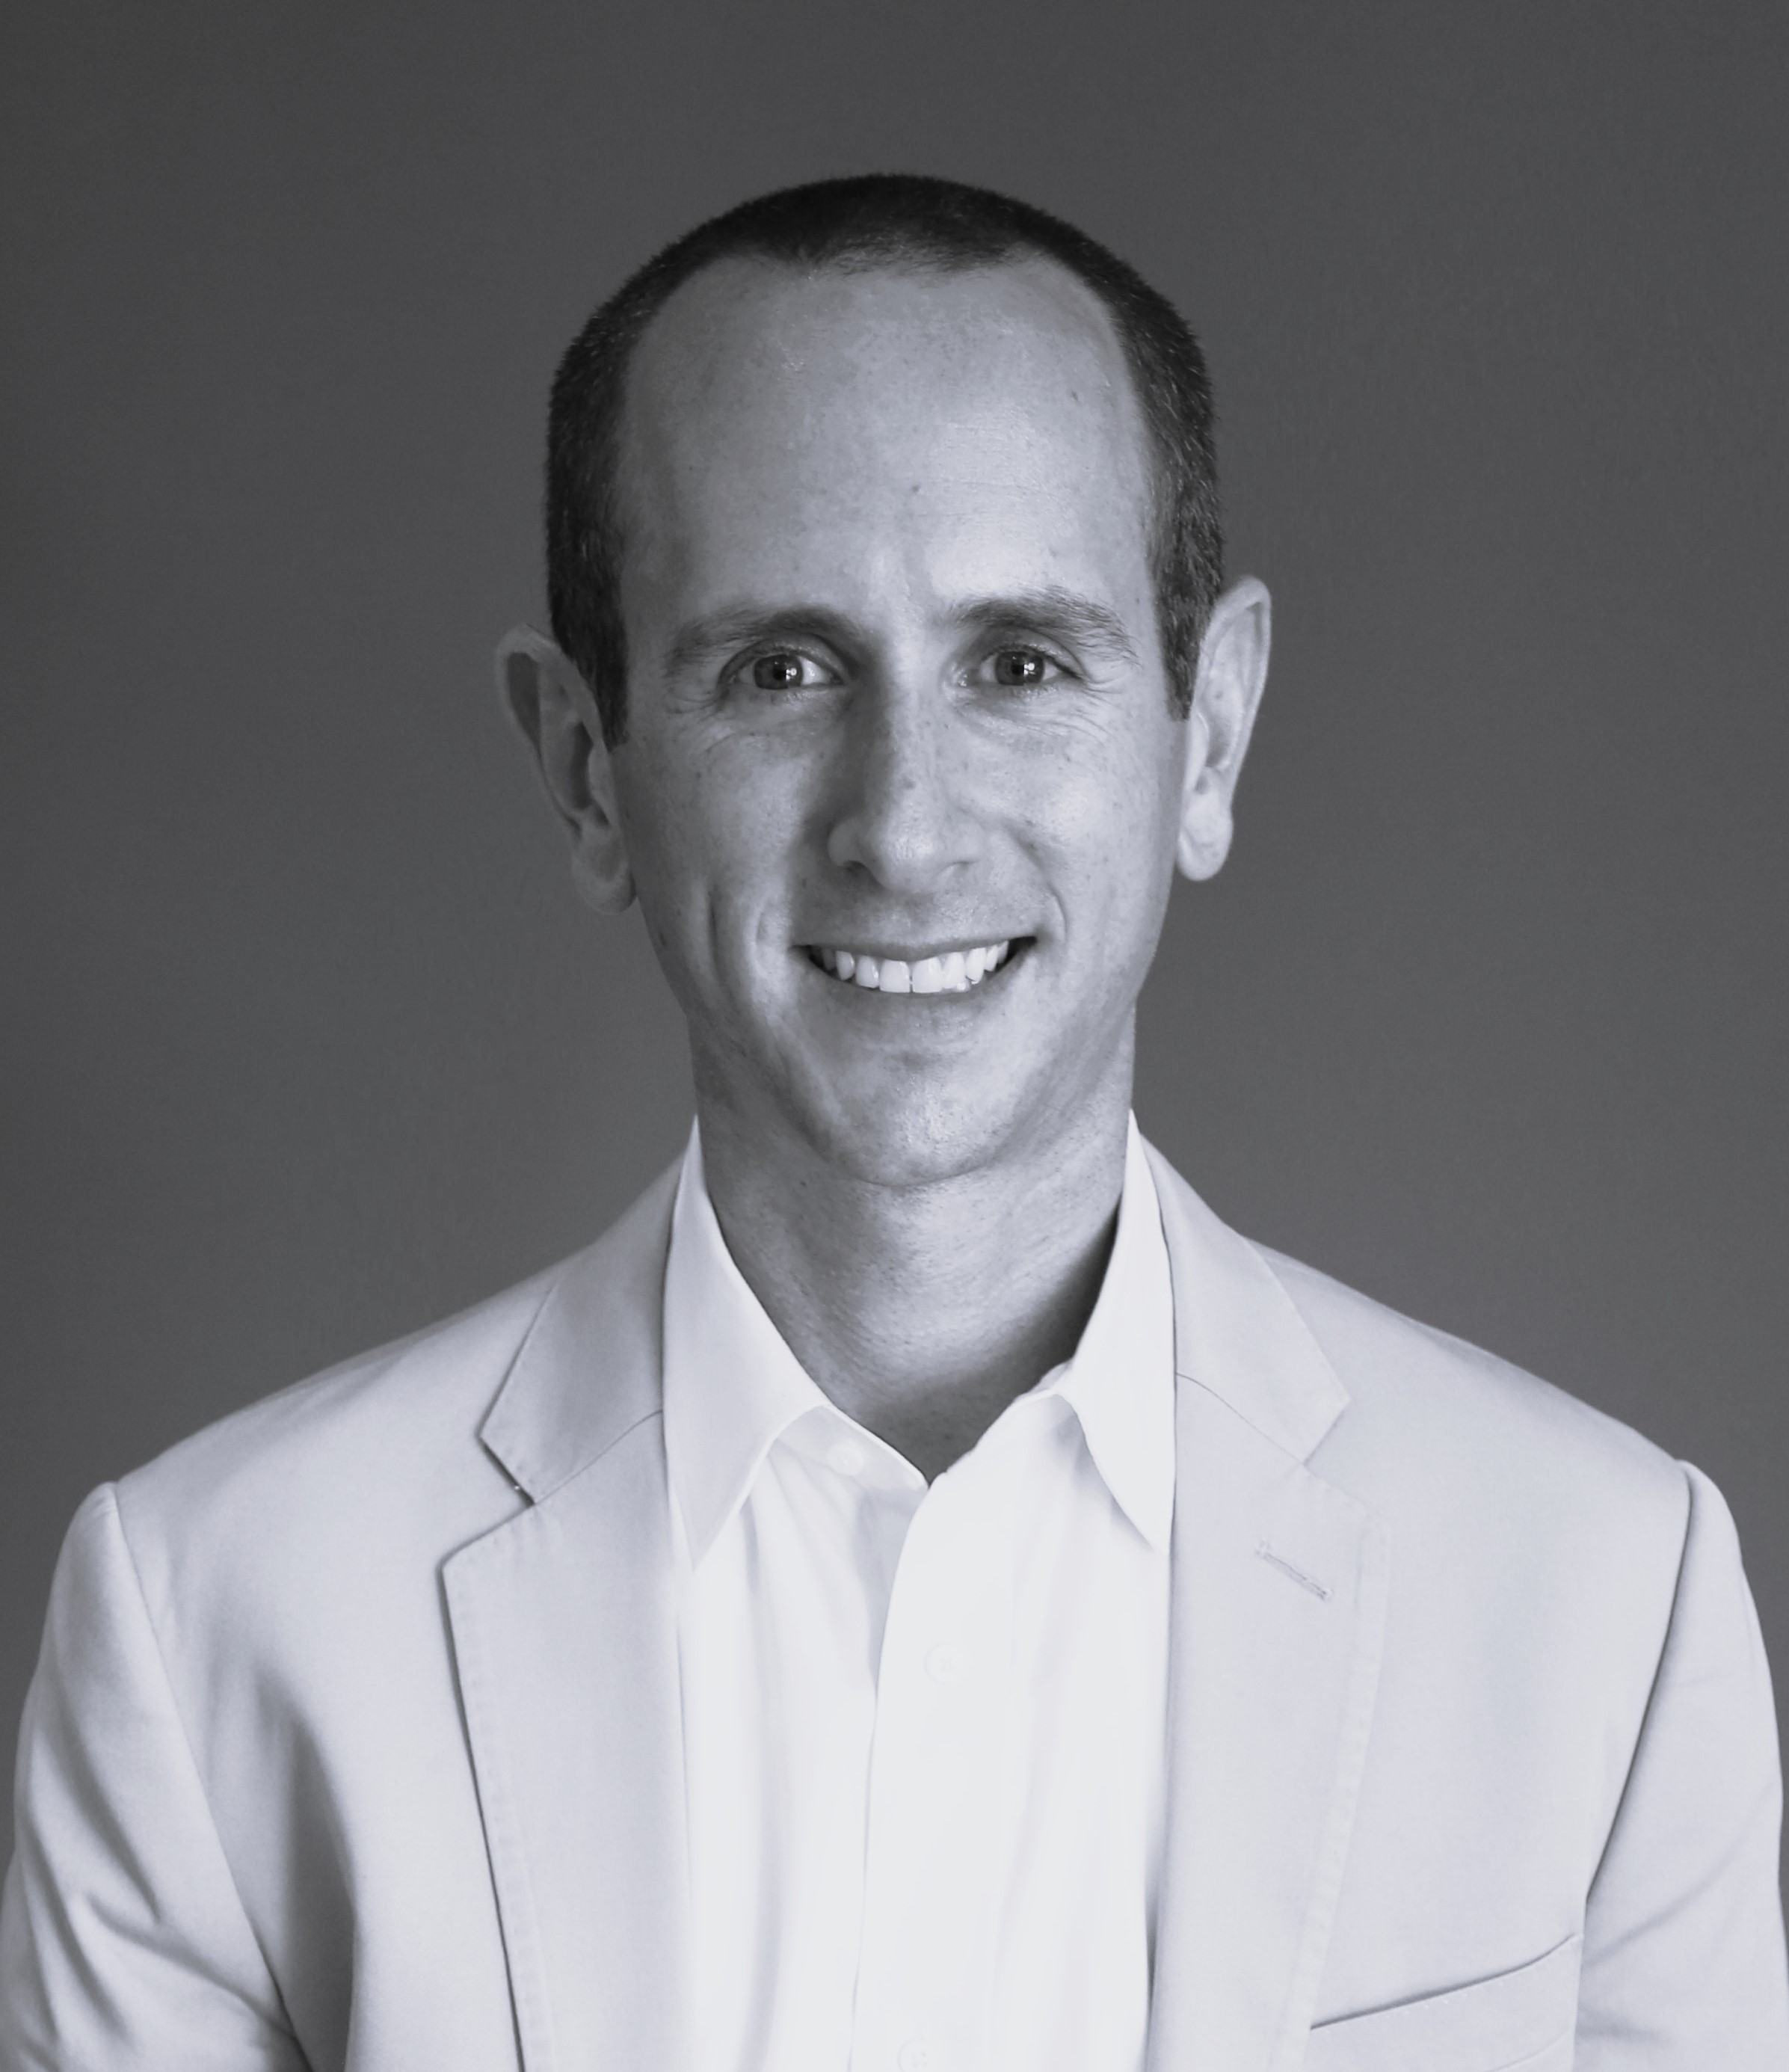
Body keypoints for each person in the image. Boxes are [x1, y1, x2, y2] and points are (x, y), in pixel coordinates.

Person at [1, 173, 1783, 2072]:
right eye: (781, 671)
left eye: (1021, 665)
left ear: (1210, 733)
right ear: (587, 769)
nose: (907, 830)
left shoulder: (1604, 1601)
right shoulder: (212, 1627)